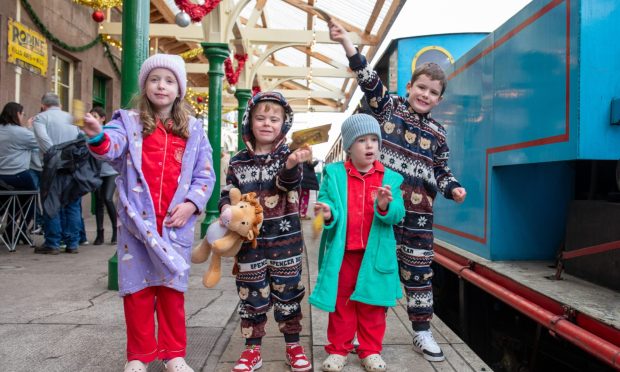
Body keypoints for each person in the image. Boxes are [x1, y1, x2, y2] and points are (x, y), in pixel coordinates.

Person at [329, 20, 467, 362]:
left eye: (433, 92)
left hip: (419, 219)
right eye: (421, 87)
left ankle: (421, 332)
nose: (425, 95)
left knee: (419, 275)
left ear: (439, 99)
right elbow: (368, 79)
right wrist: (347, 42)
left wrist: (453, 188)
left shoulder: (438, 132)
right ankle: (367, 338)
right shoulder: (388, 109)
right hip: (382, 216)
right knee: (374, 273)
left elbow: (441, 170)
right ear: (409, 86)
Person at [83, 54, 216, 372]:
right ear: (145, 85)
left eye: (170, 80)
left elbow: (205, 173)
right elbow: (112, 145)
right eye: (155, 79)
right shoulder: (127, 121)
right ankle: (138, 357)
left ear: (180, 89)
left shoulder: (193, 130)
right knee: (138, 292)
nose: (162, 85)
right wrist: (97, 135)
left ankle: (173, 354)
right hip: (136, 226)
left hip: (174, 223)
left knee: (172, 292)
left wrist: (192, 204)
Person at [219, 92, 313, 372]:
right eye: (260, 118)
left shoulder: (289, 155)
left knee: (288, 296)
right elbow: (228, 193)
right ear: (250, 121)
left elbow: (287, 184)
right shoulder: (237, 162)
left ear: (284, 124)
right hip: (250, 245)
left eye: (274, 119)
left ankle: (293, 345)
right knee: (251, 296)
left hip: (286, 242)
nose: (267, 123)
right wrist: (225, 210)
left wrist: (292, 164)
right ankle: (252, 351)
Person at [309, 114, 405, 372]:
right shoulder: (335, 174)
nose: (370, 145)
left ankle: (370, 350)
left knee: (373, 304)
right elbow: (328, 200)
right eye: (362, 140)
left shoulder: (390, 179)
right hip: (345, 254)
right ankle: (339, 349)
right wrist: (327, 212)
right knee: (342, 303)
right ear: (349, 146)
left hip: (375, 255)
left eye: (374, 139)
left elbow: (398, 214)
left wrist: (385, 206)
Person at [32, 93, 82, 254]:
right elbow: (80, 140)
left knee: (51, 203)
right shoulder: (71, 118)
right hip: (72, 166)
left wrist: (55, 157)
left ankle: (53, 242)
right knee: (72, 205)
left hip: (52, 167)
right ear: (59, 104)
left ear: (43, 105)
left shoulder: (40, 118)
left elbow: (43, 141)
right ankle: (72, 243)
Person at [89, 106, 118, 245]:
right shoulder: (89, 133)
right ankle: (99, 234)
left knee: (107, 198)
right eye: (91, 116)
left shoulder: (109, 131)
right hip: (96, 172)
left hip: (110, 172)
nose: (93, 119)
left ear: (102, 118)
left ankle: (115, 231)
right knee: (98, 202)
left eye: (95, 116)